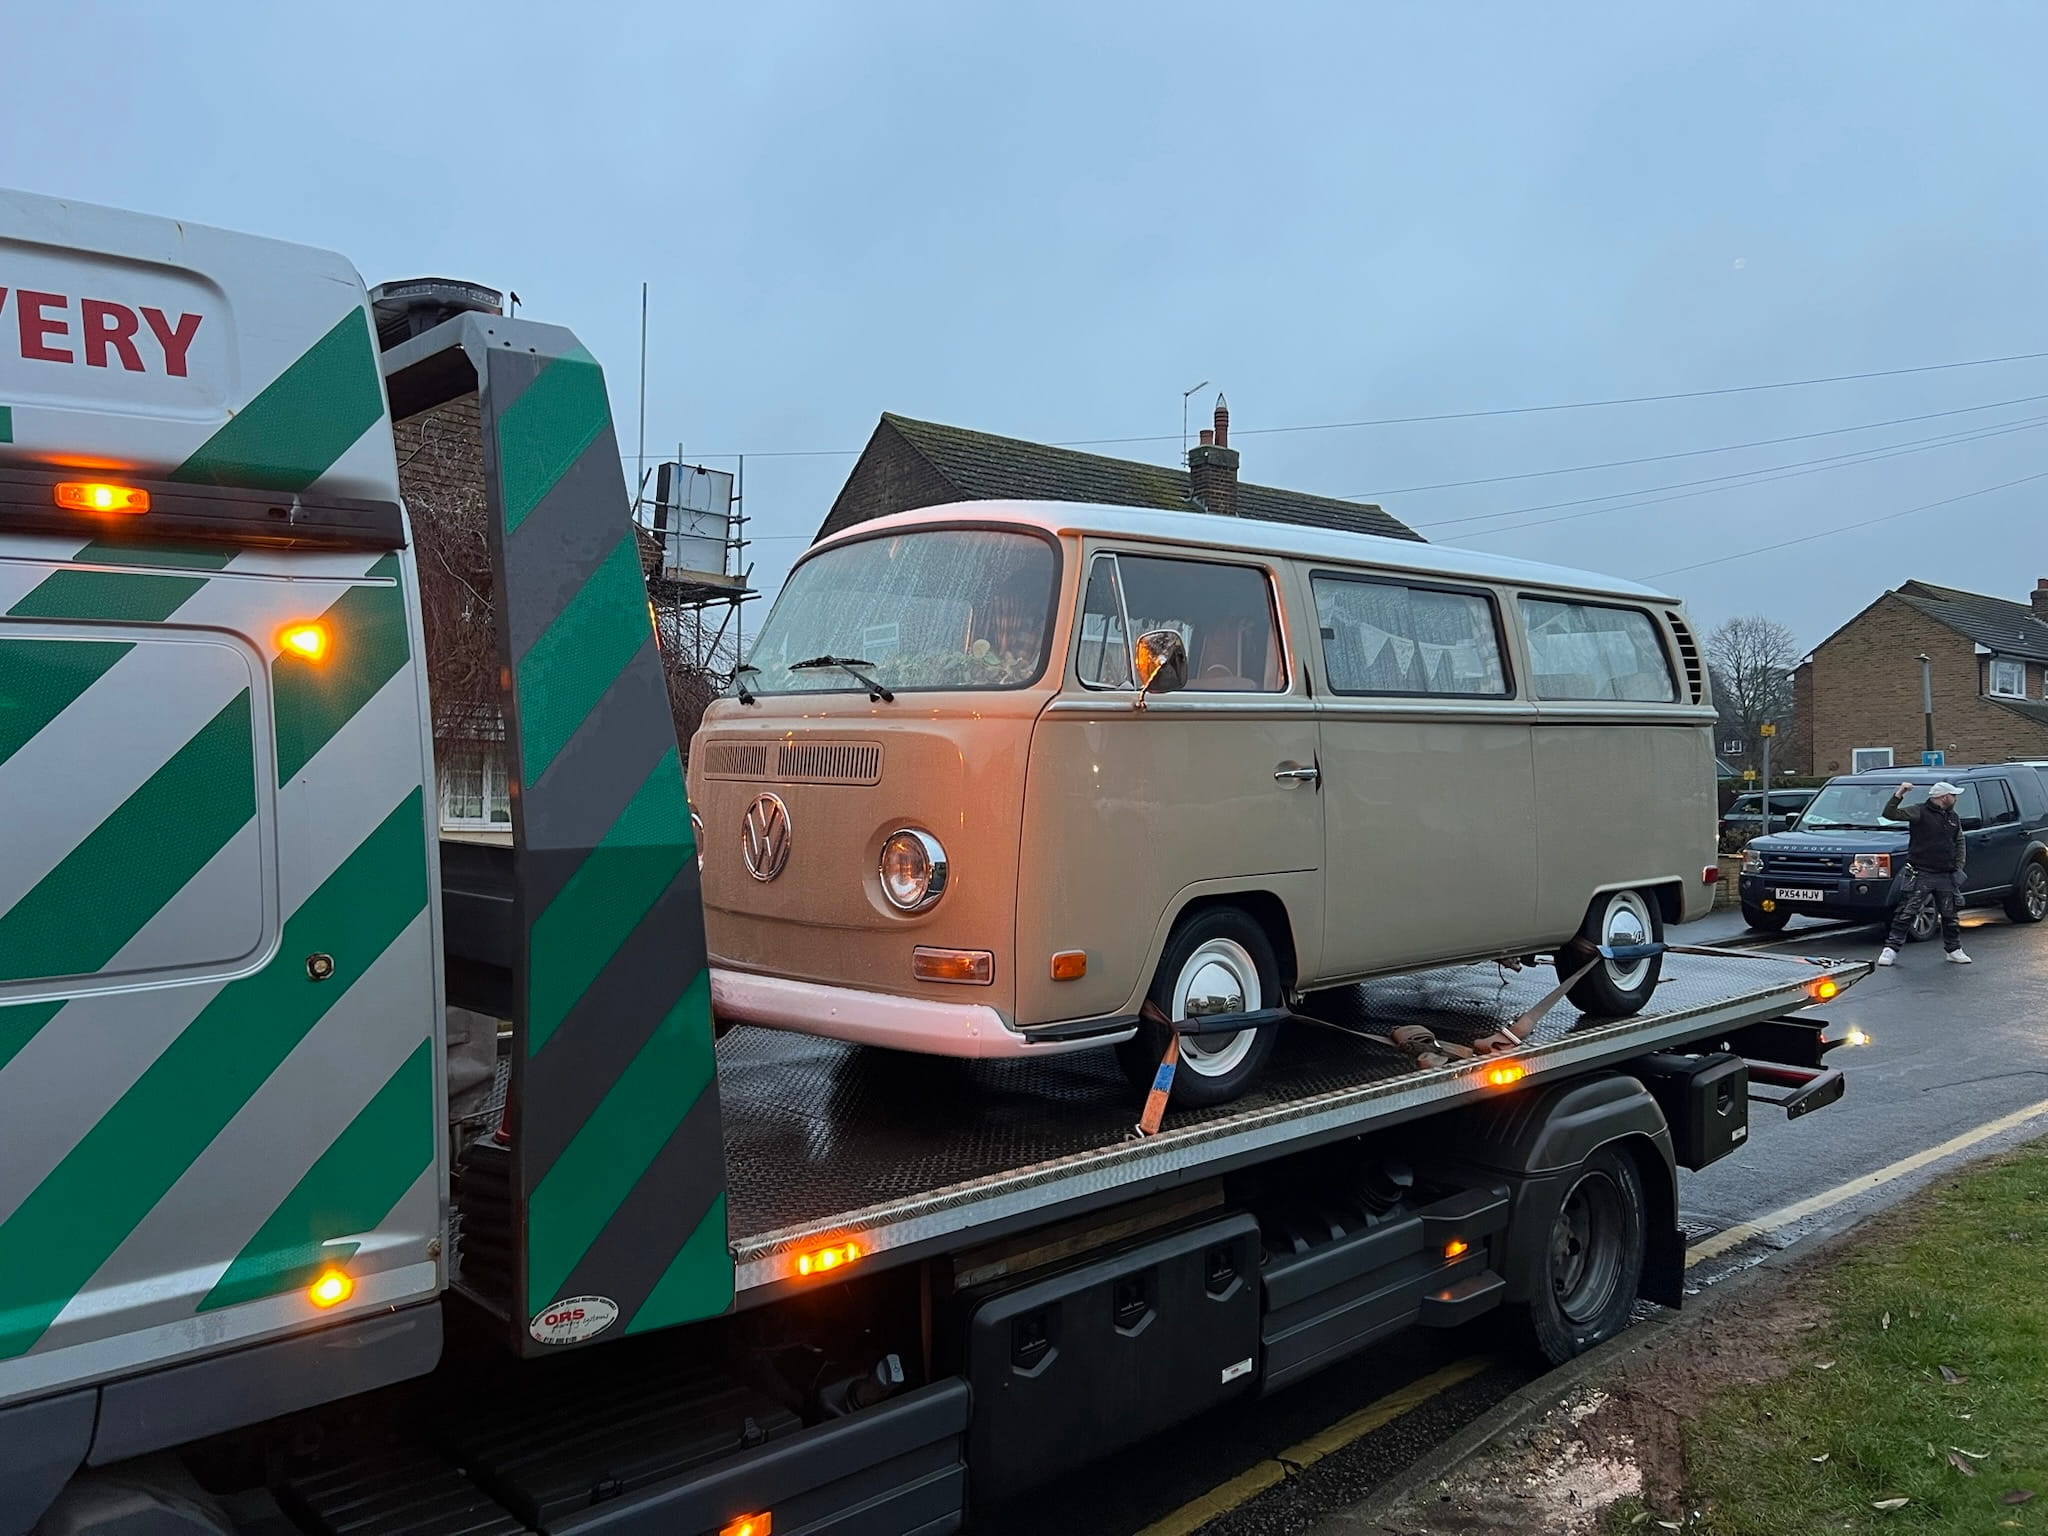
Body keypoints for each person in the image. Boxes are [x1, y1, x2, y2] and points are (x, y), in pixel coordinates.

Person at [1876, 781, 1969, 966]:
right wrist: (1900, 793)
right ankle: (1891, 949)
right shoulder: (1919, 811)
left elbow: (1959, 841)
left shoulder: (1953, 817)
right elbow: (1889, 814)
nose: (1956, 798)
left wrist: (1958, 866)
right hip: (1921, 872)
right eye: (1953, 795)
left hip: (1946, 873)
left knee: (1950, 914)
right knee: (1907, 911)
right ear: (1944, 797)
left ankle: (1954, 949)